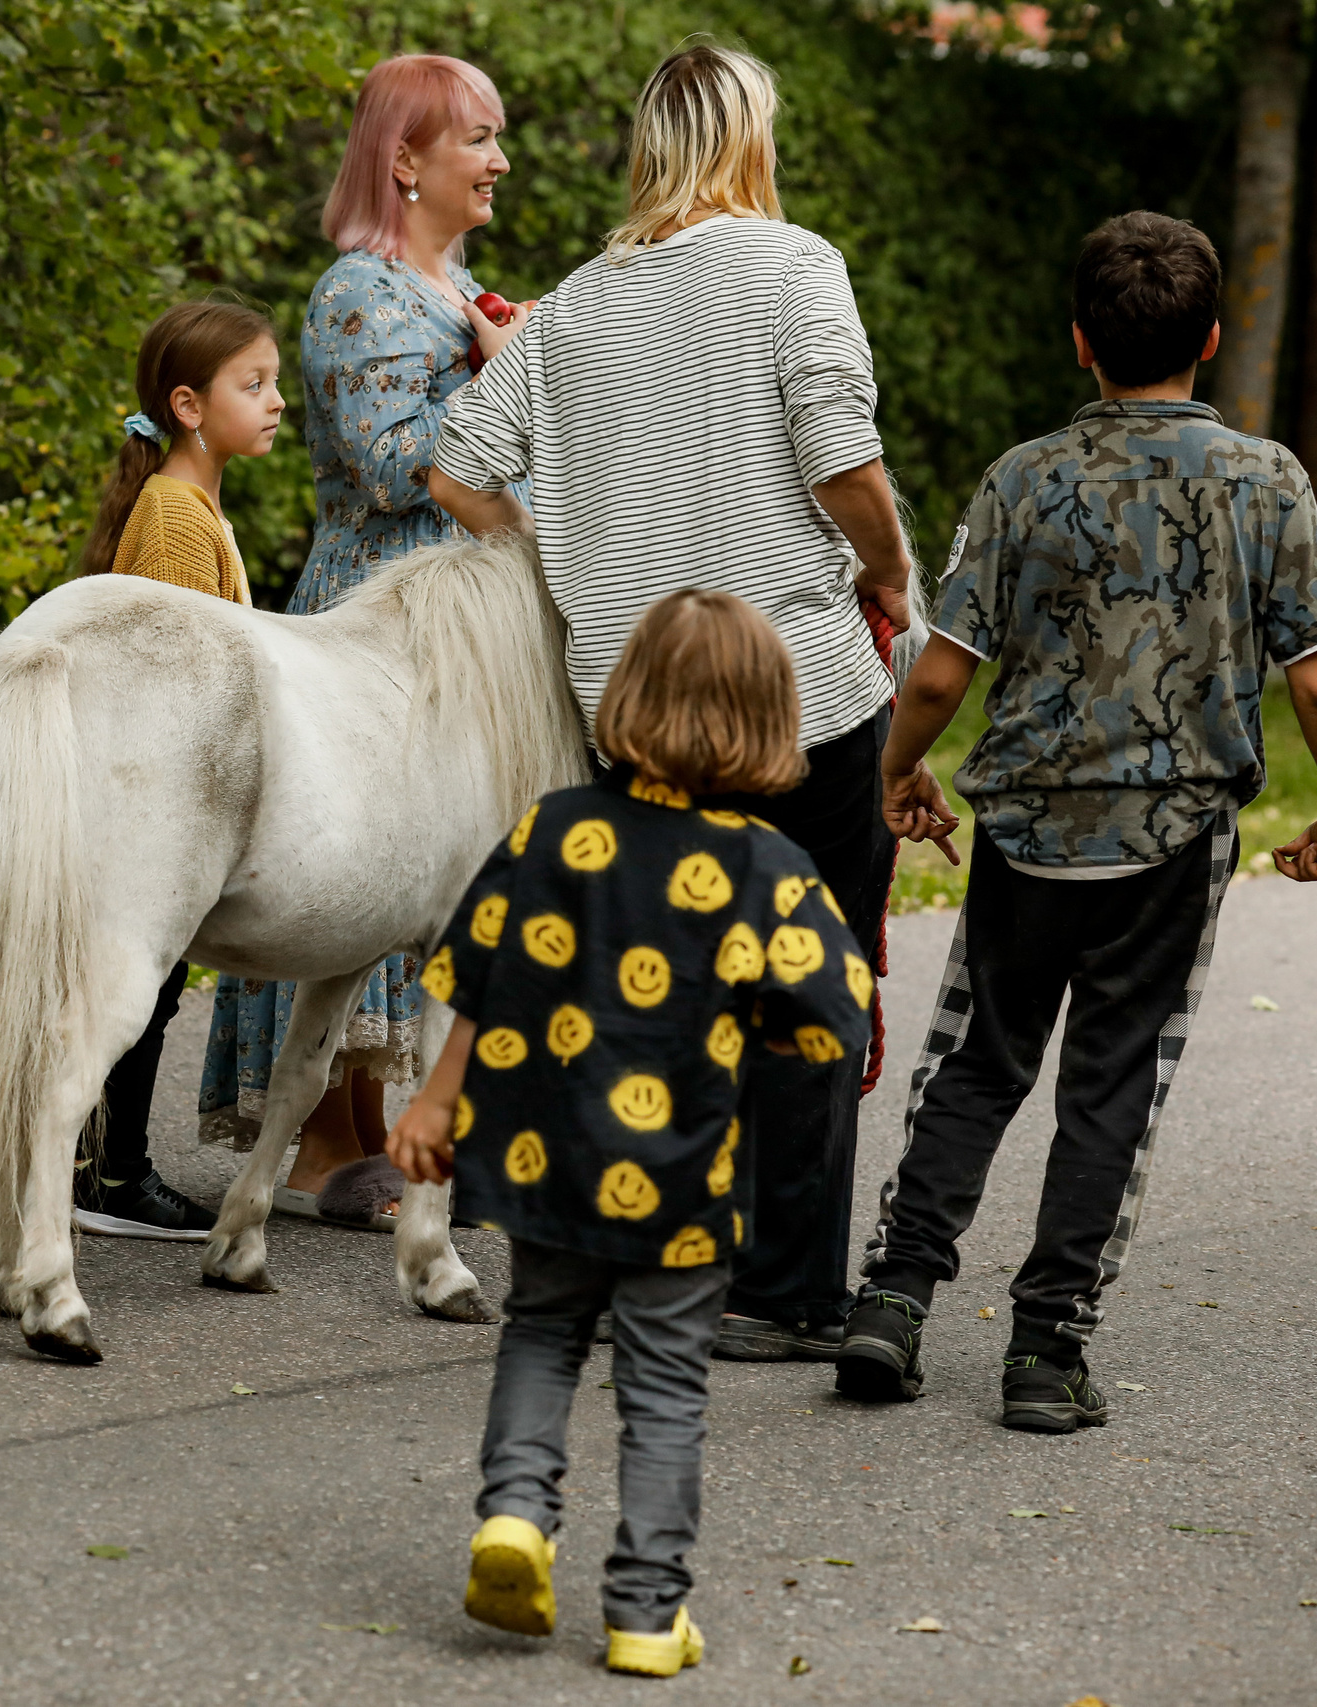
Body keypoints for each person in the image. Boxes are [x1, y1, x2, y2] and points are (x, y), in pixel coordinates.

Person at [841, 211, 1317, 1431]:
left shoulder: (1022, 477)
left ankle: (892, 1299)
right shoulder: (1265, 479)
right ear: (1216, 338)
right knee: (1111, 1092)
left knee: (974, 1065)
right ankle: (1043, 1351)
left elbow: (936, 671)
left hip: (1025, 831)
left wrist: (899, 770)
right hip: (1175, 841)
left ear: (1080, 343)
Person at [431, 42, 911, 1360]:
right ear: (751, 137)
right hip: (796, 692)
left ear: (648, 149)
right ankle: (785, 1290)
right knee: (811, 991)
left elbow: (459, 468)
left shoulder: (577, 306)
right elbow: (845, 462)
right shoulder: (796, 267)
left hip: (630, 697)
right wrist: (887, 570)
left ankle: (649, 1245)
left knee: (659, 972)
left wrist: (571, 562)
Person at [387, 590, 871, 1678]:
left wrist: (430, 1107)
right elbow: (833, 1021)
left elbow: (473, 971)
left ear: (627, 698)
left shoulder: (555, 827)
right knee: (661, 1390)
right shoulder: (769, 872)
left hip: (543, 1164)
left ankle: (513, 1518)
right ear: (768, 720)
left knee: (543, 1337)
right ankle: (646, 1616)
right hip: (680, 1187)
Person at [200, 52, 526, 1232]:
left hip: (462, 613)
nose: (498, 161)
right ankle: (322, 1143)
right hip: (379, 601)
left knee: (435, 858)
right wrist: (506, 380)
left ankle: (396, 1118)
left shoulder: (457, 286)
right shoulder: (358, 292)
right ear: (404, 161)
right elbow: (398, 468)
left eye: (495, 139)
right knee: (356, 849)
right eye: (477, 140)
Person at [65, 300, 282, 1240]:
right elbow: (178, 678)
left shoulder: (194, 503)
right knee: (140, 990)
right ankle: (108, 1173)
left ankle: (103, 1165)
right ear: (189, 405)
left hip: (166, 802)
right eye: (256, 385)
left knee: (153, 989)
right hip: (152, 800)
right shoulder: (174, 517)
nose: (279, 402)